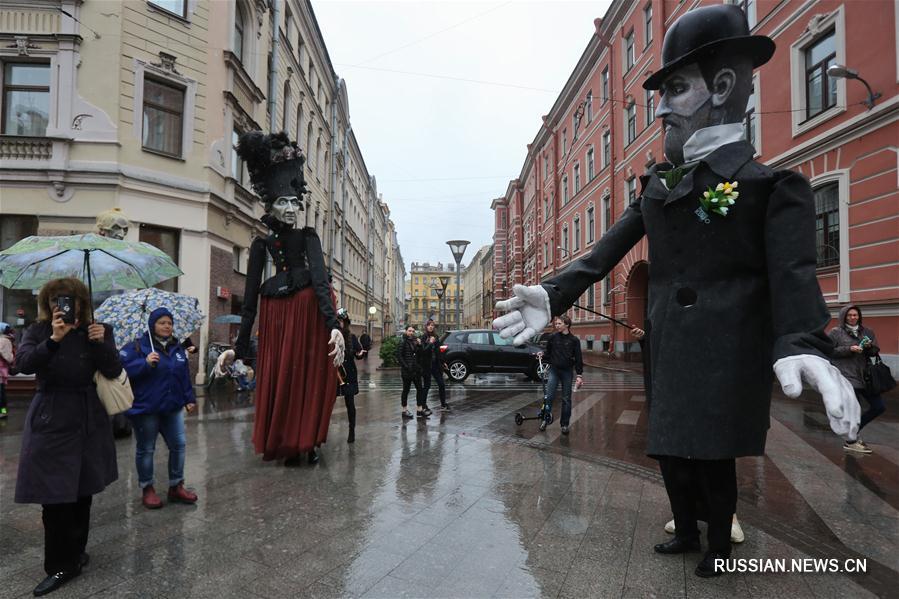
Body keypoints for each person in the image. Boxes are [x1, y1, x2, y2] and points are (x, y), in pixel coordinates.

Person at [494, 5, 858, 578]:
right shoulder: (657, 188)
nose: (660, 107)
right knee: (668, 446)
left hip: (726, 353)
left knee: (714, 453)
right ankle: (686, 529)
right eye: (659, 94)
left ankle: (718, 545)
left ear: (722, 86)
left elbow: (793, 270)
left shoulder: (769, 187)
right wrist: (553, 292)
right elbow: (603, 251)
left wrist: (801, 340)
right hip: (667, 347)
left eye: (676, 88)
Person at [234, 131, 344, 466]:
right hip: (277, 314)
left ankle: (305, 441)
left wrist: (334, 325)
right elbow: (249, 298)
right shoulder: (260, 245)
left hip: (307, 311)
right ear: (270, 207)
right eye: (283, 203)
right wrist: (238, 347)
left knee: (306, 376)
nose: (291, 209)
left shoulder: (309, 236)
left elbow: (322, 282)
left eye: (295, 203)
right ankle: (287, 440)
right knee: (282, 376)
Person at [14, 277, 121, 596]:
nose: (61, 306)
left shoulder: (98, 330)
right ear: (47, 305)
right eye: (54, 301)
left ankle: (76, 553)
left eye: (69, 300)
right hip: (51, 414)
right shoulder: (39, 331)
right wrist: (54, 341)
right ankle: (59, 564)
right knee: (54, 495)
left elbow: (114, 370)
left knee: (82, 490)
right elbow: (22, 363)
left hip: (88, 416)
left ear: (81, 303)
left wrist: (101, 342)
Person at [120, 308, 198, 509]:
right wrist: (144, 363)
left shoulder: (177, 348)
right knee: (146, 449)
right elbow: (123, 372)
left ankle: (176, 486)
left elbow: (183, 376)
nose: (166, 326)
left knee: (179, 445)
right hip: (146, 408)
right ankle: (148, 489)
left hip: (172, 407)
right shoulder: (136, 347)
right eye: (162, 322)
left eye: (169, 323)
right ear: (152, 324)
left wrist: (189, 398)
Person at [829, 305, 886, 454]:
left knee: (879, 406)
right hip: (846, 376)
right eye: (850, 315)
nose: (853, 318)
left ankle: (852, 432)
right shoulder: (836, 333)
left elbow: (874, 352)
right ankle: (851, 441)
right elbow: (829, 351)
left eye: (855, 315)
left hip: (865, 376)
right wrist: (849, 349)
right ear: (844, 317)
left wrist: (869, 347)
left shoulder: (867, 331)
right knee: (855, 409)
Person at [537, 315, 583, 434]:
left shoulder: (574, 340)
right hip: (554, 370)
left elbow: (578, 358)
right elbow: (548, 353)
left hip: (567, 372)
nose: (556, 326)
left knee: (566, 399)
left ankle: (564, 424)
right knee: (549, 396)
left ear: (567, 325)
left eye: (559, 324)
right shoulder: (553, 337)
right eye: (556, 324)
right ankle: (545, 420)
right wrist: (542, 354)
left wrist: (579, 375)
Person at [336, 308, 366, 443]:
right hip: (334, 374)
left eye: (342, 321)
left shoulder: (351, 337)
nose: (340, 323)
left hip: (348, 374)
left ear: (346, 322)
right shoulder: (331, 336)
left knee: (350, 403)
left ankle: (351, 430)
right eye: (338, 321)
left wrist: (360, 354)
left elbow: (358, 352)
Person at [419, 319, 449, 412]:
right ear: (426, 327)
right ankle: (423, 405)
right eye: (429, 325)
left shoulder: (436, 336)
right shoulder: (423, 337)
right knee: (427, 386)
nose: (431, 327)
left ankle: (443, 404)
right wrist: (430, 342)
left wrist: (443, 362)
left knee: (441, 384)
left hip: (436, 364)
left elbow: (439, 351)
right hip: (427, 365)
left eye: (432, 325)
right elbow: (423, 351)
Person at [397, 325, 425, 419]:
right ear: (406, 331)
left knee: (420, 389)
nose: (411, 333)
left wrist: (420, 345)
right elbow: (399, 356)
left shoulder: (415, 341)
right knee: (406, 390)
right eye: (409, 331)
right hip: (407, 371)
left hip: (415, 370)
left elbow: (420, 354)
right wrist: (406, 366)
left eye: (413, 331)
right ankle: (404, 411)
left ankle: (419, 410)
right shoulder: (403, 342)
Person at [0, 323, 14, 419]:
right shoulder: (5, 340)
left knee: (1, 394)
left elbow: (9, 357)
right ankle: (3, 412)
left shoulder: (4, 340)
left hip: (0, 371)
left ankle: (3, 412)